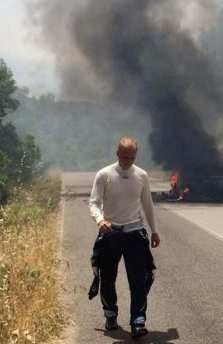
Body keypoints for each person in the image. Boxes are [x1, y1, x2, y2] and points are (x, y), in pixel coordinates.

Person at [89, 136, 160, 338]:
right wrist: (100, 220)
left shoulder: (141, 175)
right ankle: (110, 313)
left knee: (138, 278)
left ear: (135, 156)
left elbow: (147, 204)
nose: (128, 161)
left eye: (132, 157)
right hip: (111, 233)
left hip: (134, 232)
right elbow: (94, 202)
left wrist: (154, 230)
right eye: (125, 156)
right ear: (117, 153)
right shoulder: (104, 174)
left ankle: (138, 320)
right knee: (108, 276)